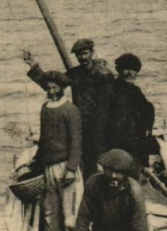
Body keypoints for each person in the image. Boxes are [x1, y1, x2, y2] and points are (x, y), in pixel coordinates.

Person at [24, 38, 114, 177]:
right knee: (81, 161)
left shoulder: (104, 74)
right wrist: (33, 65)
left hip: (99, 127)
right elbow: (51, 84)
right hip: (79, 124)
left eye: (85, 53)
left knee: (98, 163)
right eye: (79, 55)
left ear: (92, 53)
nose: (82, 58)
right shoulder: (75, 74)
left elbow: (112, 103)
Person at [32, 71, 83, 231]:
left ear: (62, 88)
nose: (52, 91)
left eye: (55, 88)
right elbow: (44, 139)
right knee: (49, 210)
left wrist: (71, 169)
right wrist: (36, 161)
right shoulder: (45, 108)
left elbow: (76, 142)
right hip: (49, 167)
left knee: (69, 210)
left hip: (65, 166)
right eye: (49, 88)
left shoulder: (70, 110)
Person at [106, 53, 155, 167]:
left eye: (133, 70)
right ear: (119, 70)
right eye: (126, 69)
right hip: (118, 144)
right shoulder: (110, 91)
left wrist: (147, 127)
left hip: (135, 143)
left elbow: (149, 109)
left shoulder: (135, 91)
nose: (130, 73)